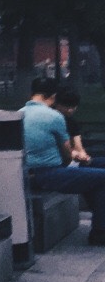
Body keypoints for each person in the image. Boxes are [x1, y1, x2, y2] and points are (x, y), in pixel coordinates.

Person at [22, 78, 105, 244]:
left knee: (96, 174)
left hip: (29, 173)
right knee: (101, 177)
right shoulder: (53, 117)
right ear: (52, 97)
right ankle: (99, 233)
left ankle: (100, 228)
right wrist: (79, 156)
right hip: (48, 173)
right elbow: (68, 155)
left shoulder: (19, 113)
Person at [54, 85, 92, 164]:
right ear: (57, 104)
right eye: (67, 106)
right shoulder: (52, 119)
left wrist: (83, 156)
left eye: (73, 106)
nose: (70, 110)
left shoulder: (71, 122)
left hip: (72, 161)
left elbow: (78, 146)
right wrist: (73, 153)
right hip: (58, 161)